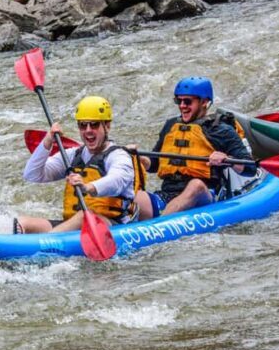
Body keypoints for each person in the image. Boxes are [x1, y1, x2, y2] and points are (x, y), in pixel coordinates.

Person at [14, 96, 144, 234]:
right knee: (22, 223)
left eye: (94, 124)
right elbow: (31, 175)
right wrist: (47, 141)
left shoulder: (119, 156)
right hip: (72, 226)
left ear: (107, 126)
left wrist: (88, 187)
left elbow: (116, 181)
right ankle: (19, 246)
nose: (88, 130)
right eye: (83, 125)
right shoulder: (72, 155)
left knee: (85, 216)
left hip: (113, 225)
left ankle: (44, 243)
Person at [133, 77, 256, 220]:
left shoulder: (222, 130)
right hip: (168, 195)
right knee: (134, 196)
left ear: (204, 102)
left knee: (195, 185)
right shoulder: (171, 125)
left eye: (188, 101)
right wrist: (137, 158)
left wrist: (227, 160)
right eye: (179, 101)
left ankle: (158, 226)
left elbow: (250, 168)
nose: (182, 106)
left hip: (206, 196)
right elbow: (154, 164)